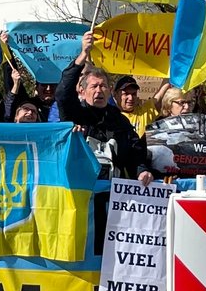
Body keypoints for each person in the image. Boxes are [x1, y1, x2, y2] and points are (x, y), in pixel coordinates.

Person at [58, 35, 153, 181]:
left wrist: (142, 171)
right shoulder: (74, 114)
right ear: (82, 91)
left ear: (109, 91)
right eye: (94, 86)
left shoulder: (119, 120)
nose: (99, 90)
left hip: (111, 192)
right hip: (81, 190)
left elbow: (135, 152)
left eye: (103, 86)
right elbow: (64, 92)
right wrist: (83, 55)